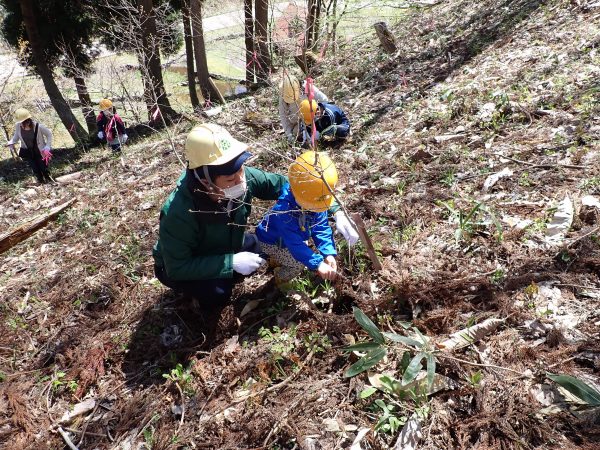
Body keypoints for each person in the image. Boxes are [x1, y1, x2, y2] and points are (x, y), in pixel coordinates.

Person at [153, 123, 288, 312]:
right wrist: (230, 263)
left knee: (270, 243)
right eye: (230, 179)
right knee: (217, 294)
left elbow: (287, 186)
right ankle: (198, 296)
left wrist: (332, 208)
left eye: (240, 170)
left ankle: (229, 271)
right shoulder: (179, 211)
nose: (240, 180)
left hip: (227, 244)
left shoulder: (240, 176)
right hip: (183, 263)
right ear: (205, 180)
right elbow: (177, 266)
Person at [256, 151, 343, 287]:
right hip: (271, 240)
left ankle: (277, 259)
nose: (316, 209)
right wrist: (317, 263)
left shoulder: (316, 196)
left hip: (290, 236)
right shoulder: (284, 212)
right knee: (298, 265)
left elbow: (321, 227)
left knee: (301, 249)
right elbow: (294, 243)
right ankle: (279, 280)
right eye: (312, 207)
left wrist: (328, 253)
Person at [7, 108, 54, 184]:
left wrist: (47, 146)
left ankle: (49, 180)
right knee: (35, 168)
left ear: (28, 121)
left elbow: (49, 134)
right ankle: (40, 181)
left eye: (22, 123)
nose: (21, 125)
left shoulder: (38, 127)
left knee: (43, 167)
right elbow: (16, 137)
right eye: (20, 123)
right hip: (28, 151)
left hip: (39, 151)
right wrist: (12, 142)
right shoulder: (18, 126)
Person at [279, 72, 328, 144]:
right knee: (296, 133)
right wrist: (289, 135)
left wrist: (319, 112)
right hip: (298, 122)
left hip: (314, 117)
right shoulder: (283, 95)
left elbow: (324, 100)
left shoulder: (307, 87)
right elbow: (283, 116)